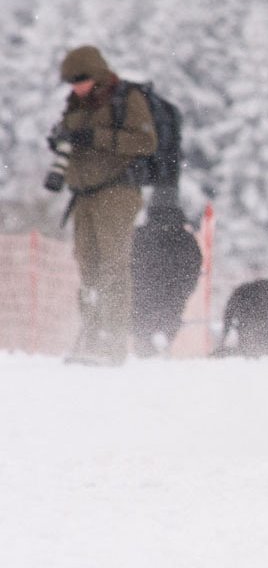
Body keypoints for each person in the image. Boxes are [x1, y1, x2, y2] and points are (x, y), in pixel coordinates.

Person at [47, 46, 157, 366]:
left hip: (117, 192)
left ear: (95, 75)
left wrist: (96, 137)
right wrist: (61, 140)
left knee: (113, 266)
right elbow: (69, 139)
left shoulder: (125, 99)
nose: (76, 87)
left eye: (80, 80)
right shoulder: (74, 103)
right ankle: (91, 335)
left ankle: (112, 341)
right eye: (72, 82)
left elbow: (146, 142)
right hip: (83, 195)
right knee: (88, 267)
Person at [130, 205, 202, 357]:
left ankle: (145, 352)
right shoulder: (186, 239)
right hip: (172, 297)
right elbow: (194, 268)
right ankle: (161, 350)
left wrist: (135, 288)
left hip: (142, 296)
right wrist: (183, 292)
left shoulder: (139, 234)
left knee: (142, 332)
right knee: (166, 326)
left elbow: (128, 264)